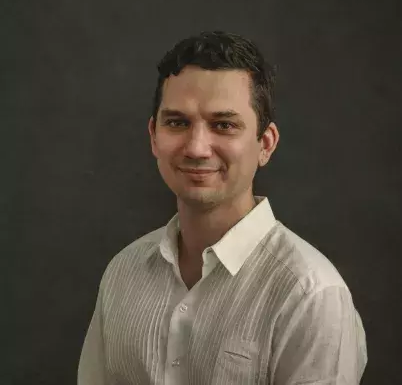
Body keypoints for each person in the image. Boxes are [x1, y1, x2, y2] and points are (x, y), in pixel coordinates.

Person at [78, 30, 367, 385]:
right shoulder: (122, 273)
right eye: (178, 122)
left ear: (265, 144)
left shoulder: (310, 295)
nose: (197, 147)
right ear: (154, 136)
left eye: (224, 125)